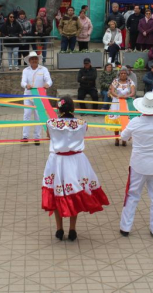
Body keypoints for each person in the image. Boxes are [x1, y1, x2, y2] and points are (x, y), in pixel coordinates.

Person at [42, 96, 110, 241]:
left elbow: (49, 136)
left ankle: (59, 229)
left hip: (57, 161)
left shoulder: (50, 123)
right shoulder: (82, 123)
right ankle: (72, 229)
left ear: (59, 109)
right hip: (76, 161)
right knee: (75, 191)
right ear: (73, 108)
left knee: (57, 192)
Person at [119, 93, 153, 238]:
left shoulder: (135, 122)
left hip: (138, 164)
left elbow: (123, 136)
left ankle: (125, 227)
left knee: (132, 195)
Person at [20, 51, 53, 143]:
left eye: (35, 58)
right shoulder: (25, 70)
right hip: (28, 95)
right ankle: (25, 136)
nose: (34, 60)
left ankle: (37, 137)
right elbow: (23, 82)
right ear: (29, 61)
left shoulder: (44, 69)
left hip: (39, 96)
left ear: (38, 60)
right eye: (32, 59)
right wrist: (26, 85)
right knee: (26, 115)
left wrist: (47, 84)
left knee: (38, 116)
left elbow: (49, 80)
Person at [105, 66, 136, 146]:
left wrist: (127, 96)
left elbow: (133, 92)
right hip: (117, 102)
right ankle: (116, 138)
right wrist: (117, 96)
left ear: (127, 74)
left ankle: (124, 139)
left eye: (124, 73)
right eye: (121, 73)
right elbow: (112, 91)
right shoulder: (115, 81)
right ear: (119, 74)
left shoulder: (130, 81)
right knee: (116, 120)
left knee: (125, 120)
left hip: (126, 102)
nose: (123, 75)